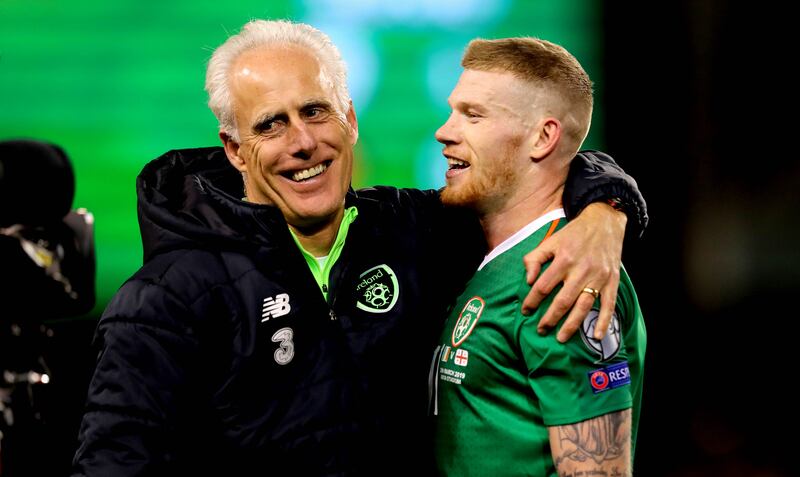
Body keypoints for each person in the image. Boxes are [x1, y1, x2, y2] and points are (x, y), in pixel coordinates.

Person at [72, 20, 647, 476]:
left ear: (349, 120)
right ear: (235, 148)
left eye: (316, 111)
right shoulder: (165, 299)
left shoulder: (418, 232)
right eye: (271, 125)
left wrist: (605, 210)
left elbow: (527, 175)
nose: (303, 142)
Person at [431, 37, 645, 476]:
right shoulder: (499, 257)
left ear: (543, 137)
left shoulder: (563, 273)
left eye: (473, 115)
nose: (445, 131)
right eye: (454, 110)